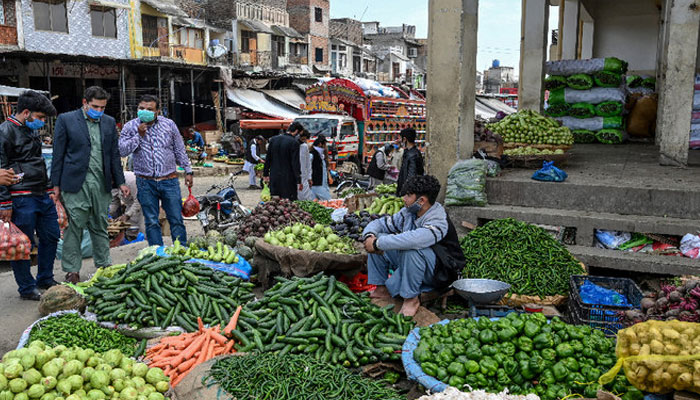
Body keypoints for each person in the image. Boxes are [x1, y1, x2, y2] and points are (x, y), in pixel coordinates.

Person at [52, 86, 128, 284]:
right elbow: (58, 154)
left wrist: (120, 182)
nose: (99, 111)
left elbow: (113, 155)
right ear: (85, 103)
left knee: (100, 226)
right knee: (74, 227)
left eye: (103, 107)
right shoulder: (66, 120)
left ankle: (104, 265)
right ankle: (72, 270)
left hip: (101, 185)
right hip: (75, 184)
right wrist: (55, 185)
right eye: (95, 106)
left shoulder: (109, 123)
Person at [362, 175, 463, 317]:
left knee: (410, 249)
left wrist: (378, 244)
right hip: (418, 264)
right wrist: (370, 236)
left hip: (441, 270)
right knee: (378, 238)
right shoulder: (408, 213)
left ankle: (411, 299)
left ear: (421, 201)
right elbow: (381, 223)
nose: (403, 198)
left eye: (408, 195)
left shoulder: (438, 219)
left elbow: (415, 240)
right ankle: (381, 288)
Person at [0, 90, 59, 300]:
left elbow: (40, 162)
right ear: (26, 112)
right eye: (41, 118)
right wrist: (4, 202)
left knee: (51, 235)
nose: (42, 122)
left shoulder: (31, 131)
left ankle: (45, 277)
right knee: (23, 244)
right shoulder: (5, 132)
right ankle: (26, 287)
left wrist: (50, 188)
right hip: (20, 197)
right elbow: (1, 167)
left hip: (42, 193)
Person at [119, 94, 193, 246]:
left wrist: (188, 170)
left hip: (169, 180)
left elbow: (179, 149)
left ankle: (181, 250)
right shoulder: (130, 126)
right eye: (141, 108)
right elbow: (122, 151)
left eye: (149, 109)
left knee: (176, 219)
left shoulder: (169, 125)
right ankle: (157, 253)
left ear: (158, 111)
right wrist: (139, 136)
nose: (145, 111)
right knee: (151, 221)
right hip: (145, 182)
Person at [263, 122, 302, 200]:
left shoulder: (273, 140)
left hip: (274, 176)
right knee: (289, 203)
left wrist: (265, 173)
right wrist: (298, 180)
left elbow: (268, 158)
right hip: (288, 178)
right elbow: (295, 163)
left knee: (275, 201)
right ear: (296, 131)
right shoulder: (294, 143)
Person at [109, 171, 145, 239]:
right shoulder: (111, 185)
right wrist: (106, 213)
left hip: (145, 205)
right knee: (130, 230)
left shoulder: (131, 181)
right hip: (130, 205)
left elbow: (139, 201)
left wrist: (127, 215)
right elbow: (114, 203)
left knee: (143, 230)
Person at [396, 128, 424, 196]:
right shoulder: (411, 152)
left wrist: (404, 192)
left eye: (401, 138)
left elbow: (411, 176)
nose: (400, 141)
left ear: (405, 139)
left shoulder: (412, 155)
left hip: (409, 193)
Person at [310, 135, 332, 201]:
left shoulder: (321, 155)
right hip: (317, 184)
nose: (326, 147)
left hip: (321, 183)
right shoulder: (312, 154)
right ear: (320, 144)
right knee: (328, 201)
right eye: (325, 144)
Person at [297, 130, 314, 201]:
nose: (303, 140)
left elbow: (308, 163)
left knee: (305, 196)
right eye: (303, 139)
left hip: (303, 175)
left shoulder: (305, 147)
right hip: (294, 175)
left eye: (305, 139)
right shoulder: (293, 145)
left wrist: (309, 177)